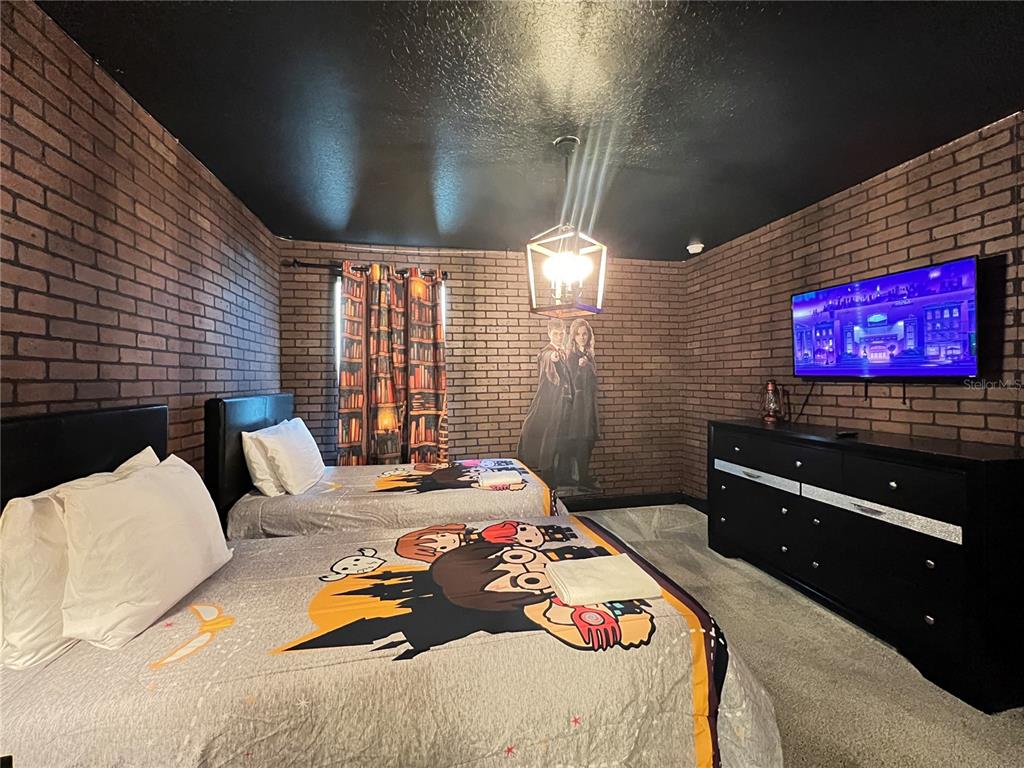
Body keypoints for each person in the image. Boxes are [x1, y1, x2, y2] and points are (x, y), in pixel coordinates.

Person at [517, 318, 573, 486]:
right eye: (556, 334)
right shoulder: (547, 353)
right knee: (549, 438)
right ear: (549, 334)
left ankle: (559, 477)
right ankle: (548, 479)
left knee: (561, 439)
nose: (559, 337)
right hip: (549, 403)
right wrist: (554, 357)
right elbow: (549, 359)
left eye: (562, 334)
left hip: (563, 403)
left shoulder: (563, 352)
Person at [563, 318, 600, 489]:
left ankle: (583, 476)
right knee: (582, 440)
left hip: (589, 402)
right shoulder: (572, 356)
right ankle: (582, 479)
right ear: (573, 337)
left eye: (584, 334)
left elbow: (594, 381)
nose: (582, 337)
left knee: (589, 439)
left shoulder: (589, 355)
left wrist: (588, 366)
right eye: (578, 334)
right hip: (578, 404)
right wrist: (580, 368)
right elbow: (572, 381)